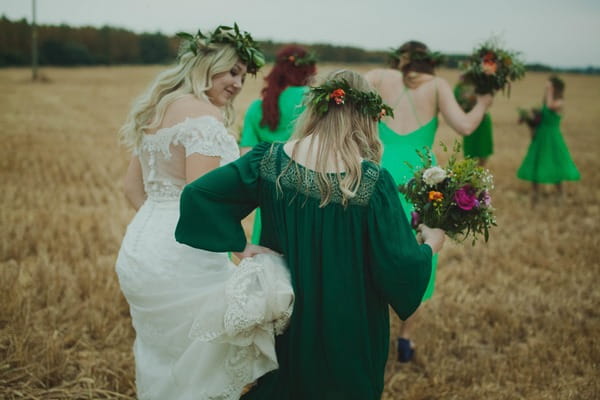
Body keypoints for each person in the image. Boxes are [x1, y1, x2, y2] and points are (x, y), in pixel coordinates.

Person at [175, 70, 446, 400]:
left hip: (284, 319)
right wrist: (431, 245)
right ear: (365, 116)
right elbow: (400, 266)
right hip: (351, 330)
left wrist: (241, 246)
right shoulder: (373, 182)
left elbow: (198, 196)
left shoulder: (269, 159)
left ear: (316, 108)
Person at [115, 24, 294, 400]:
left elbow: (131, 188)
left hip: (140, 250)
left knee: (162, 354)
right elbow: (201, 199)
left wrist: (159, 223)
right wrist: (241, 248)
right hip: (185, 255)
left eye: (243, 77)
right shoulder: (204, 118)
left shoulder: (157, 110)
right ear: (206, 66)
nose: (237, 83)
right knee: (200, 359)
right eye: (232, 72)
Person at [365, 40, 493, 362]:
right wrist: (483, 102)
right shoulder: (437, 86)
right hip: (421, 181)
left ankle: (368, 328)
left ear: (399, 60)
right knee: (419, 249)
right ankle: (405, 339)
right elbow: (464, 125)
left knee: (370, 248)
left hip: (377, 173)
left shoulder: (378, 77)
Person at [240, 44, 317, 243]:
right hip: (310, 197)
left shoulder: (257, 107)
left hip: (270, 200)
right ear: (310, 70)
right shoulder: (317, 101)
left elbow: (247, 157)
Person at [517, 76, 580, 205]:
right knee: (536, 163)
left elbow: (551, 106)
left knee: (556, 165)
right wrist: (528, 117)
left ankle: (561, 195)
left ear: (555, 88)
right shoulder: (546, 101)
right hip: (540, 137)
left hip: (552, 138)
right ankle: (535, 195)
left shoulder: (560, 102)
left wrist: (550, 91)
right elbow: (540, 115)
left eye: (549, 86)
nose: (547, 88)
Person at [454, 73, 494, 166]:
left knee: (483, 150)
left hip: (483, 121)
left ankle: (480, 172)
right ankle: (469, 176)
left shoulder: (482, 85)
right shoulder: (459, 88)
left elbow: (489, 102)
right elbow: (456, 104)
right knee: (469, 152)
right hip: (468, 120)